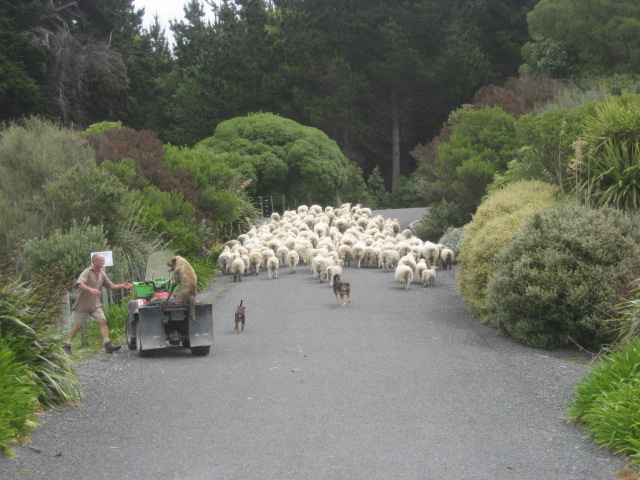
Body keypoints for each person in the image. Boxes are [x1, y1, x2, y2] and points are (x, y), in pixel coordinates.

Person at [64, 253, 133, 354]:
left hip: (95, 304)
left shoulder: (102, 274)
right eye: (101, 261)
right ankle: (67, 345)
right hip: (82, 304)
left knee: (103, 321)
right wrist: (91, 289)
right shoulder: (87, 272)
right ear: (95, 261)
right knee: (78, 325)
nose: (103, 262)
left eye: (104, 260)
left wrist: (122, 286)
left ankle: (108, 345)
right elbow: (79, 284)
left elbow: (110, 286)